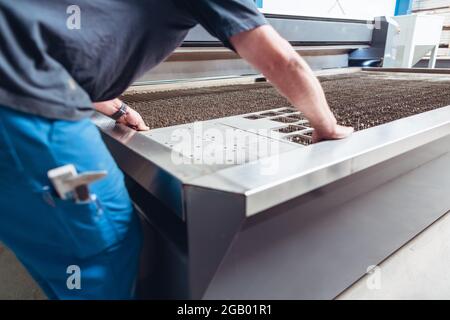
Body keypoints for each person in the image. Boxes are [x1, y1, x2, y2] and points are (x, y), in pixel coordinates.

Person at [0, 0, 353, 299]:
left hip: (19, 80)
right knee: (105, 247)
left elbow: (70, 40)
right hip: (26, 107)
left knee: (45, 238)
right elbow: (279, 60)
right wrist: (327, 125)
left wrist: (117, 107)